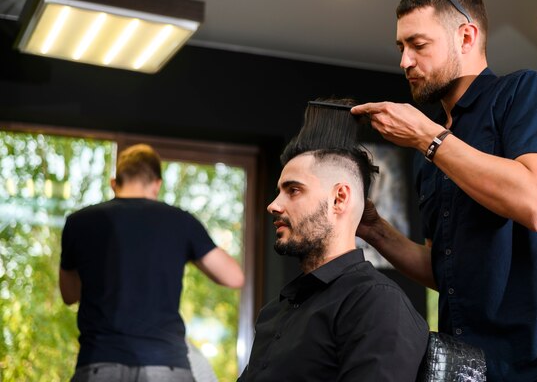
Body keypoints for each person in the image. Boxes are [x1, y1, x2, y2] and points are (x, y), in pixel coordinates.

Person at [350, 0, 537, 382]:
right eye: (401, 48)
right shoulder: (429, 154)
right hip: (467, 368)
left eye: (418, 45)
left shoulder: (523, 92)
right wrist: (375, 230)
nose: (404, 62)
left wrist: (428, 138)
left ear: (466, 37)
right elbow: (443, 268)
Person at [238, 142, 429, 380]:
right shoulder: (274, 312)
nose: (273, 205)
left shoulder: (375, 301)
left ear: (339, 198)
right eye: (278, 192)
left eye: (293, 190)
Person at [59, 143, 244, 382]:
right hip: (165, 365)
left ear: (115, 182)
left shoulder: (79, 222)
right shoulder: (180, 221)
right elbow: (233, 277)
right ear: (157, 184)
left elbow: (69, 294)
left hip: (100, 363)